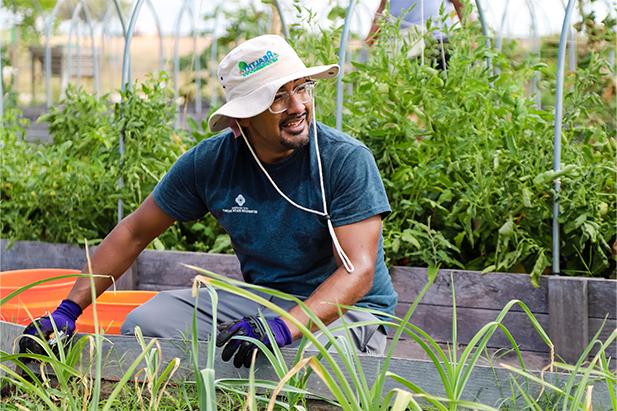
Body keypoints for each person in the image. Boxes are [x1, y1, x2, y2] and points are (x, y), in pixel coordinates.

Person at [22, 34, 398, 368]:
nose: (298, 106)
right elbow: (134, 232)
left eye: (301, 89)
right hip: (264, 304)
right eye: (277, 98)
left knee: (302, 363)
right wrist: (68, 310)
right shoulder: (211, 163)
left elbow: (358, 271)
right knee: (145, 323)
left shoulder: (343, 159)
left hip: (351, 315)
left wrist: (282, 330)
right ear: (243, 119)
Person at [366, 0, 463, 69]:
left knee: (442, 84)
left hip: (437, 40)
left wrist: (471, 37)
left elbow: (460, 5)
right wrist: (367, 43)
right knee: (408, 88)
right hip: (404, 43)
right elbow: (382, 12)